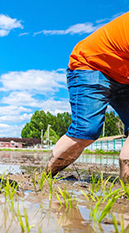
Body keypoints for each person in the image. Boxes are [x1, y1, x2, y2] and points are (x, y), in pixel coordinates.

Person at [47, 12, 129, 180]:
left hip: (123, 74)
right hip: (91, 64)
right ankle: (42, 177)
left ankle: (126, 189)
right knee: (86, 130)